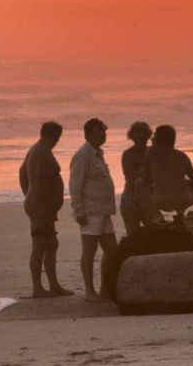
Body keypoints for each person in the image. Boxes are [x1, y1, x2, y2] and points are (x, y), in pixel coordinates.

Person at [18, 121, 73, 298]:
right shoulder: (42, 152)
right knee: (40, 245)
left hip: (37, 203)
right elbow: (41, 181)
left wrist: (28, 192)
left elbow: (22, 172)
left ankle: (54, 285)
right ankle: (38, 288)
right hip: (40, 206)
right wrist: (41, 202)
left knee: (51, 244)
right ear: (55, 136)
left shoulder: (37, 148)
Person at [69, 118, 118, 301]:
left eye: (104, 131)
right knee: (89, 250)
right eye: (99, 131)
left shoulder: (97, 153)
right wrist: (79, 210)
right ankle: (90, 292)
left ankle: (105, 288)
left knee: (112, 250)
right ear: (89, 133)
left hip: (104, 210)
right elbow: (75, 184)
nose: (103, 134)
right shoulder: (83, 155)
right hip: (90, 211)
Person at [141, 125, 193, 223]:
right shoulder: (182, 156)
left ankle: (156, 214)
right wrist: (183, 181)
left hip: (160, 200)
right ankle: (180, 213)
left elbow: (146, 180)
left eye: (155, 135)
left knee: (138, 184)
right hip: (182, 200)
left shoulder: (151, 152)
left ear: (160, 138)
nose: (152, 138)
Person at [119, 121, 163, 235]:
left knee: (159, 232)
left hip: (149, 198)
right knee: (133, 236)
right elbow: (130, 177)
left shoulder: (153, 152)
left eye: (142, 138)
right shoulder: (128, 154)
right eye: (137, 139)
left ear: (147, 137)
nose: (140, 141)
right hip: (131, 198)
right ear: (132, 138)